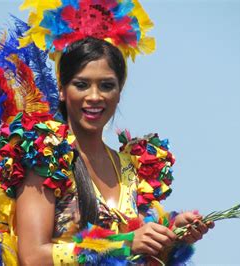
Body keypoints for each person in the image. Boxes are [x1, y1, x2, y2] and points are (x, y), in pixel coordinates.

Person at [13, 37, 214, 265]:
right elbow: (32, 257)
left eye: (107, 85)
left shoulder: (134, 167)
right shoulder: (46, 158)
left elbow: (139, 251)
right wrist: (124, 244)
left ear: (119, 92)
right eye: (81, 85)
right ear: (61, 90)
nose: (95, 96)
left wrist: (172, 234)